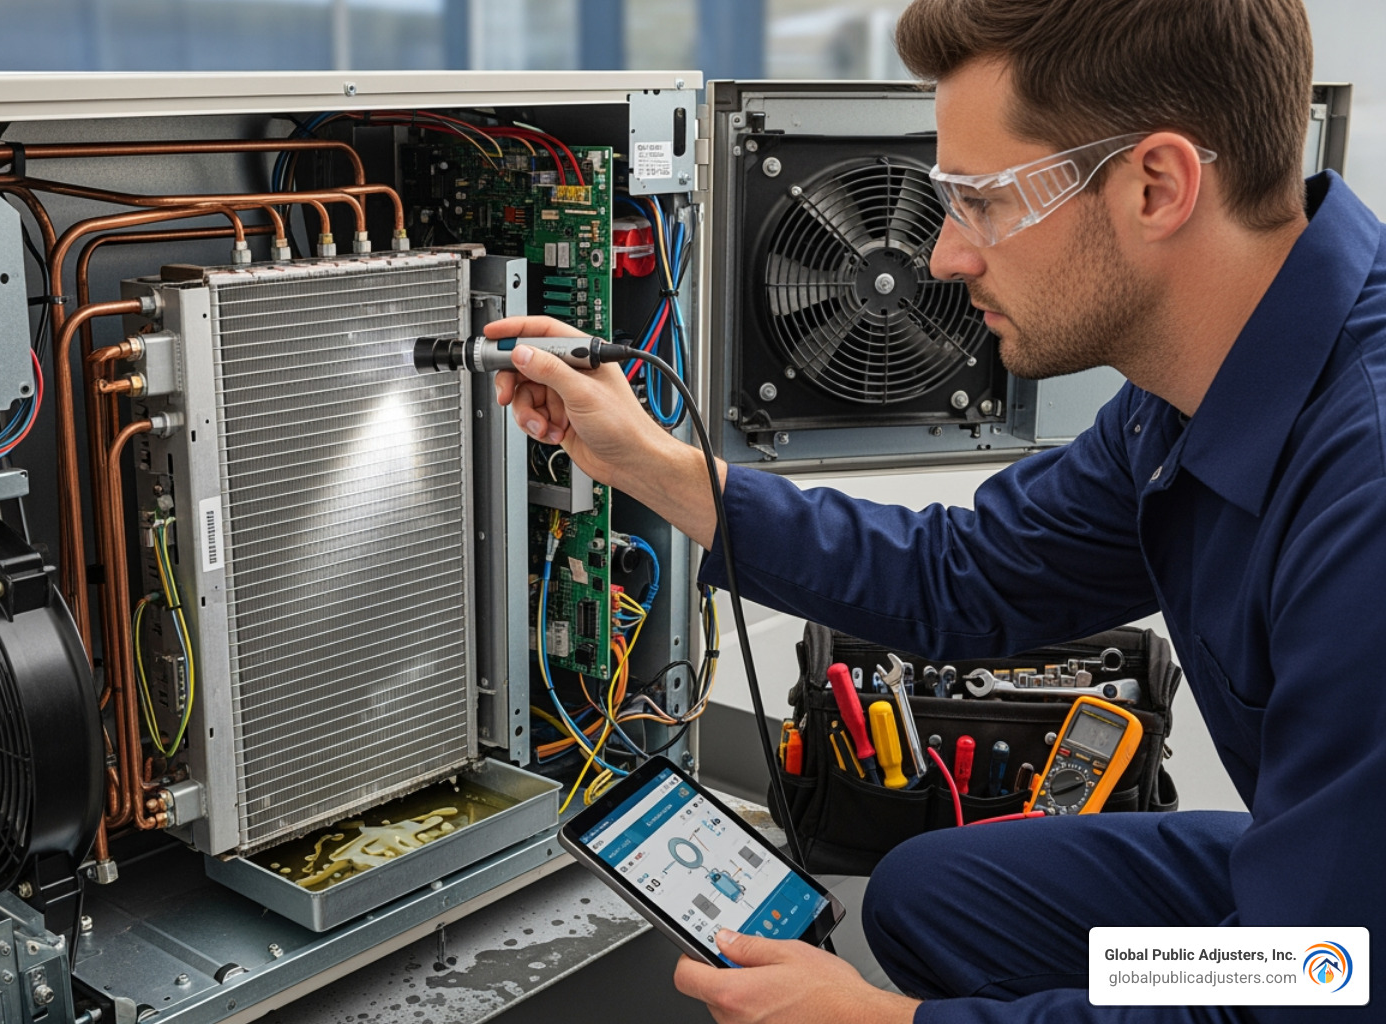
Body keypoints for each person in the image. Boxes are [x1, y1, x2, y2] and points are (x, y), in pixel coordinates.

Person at [492, 0, 1383, 1019]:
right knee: (933, 896)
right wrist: (648, 462)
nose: (947, 256)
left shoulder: (1366, 491)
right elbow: (965, 576)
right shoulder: (1192, 386)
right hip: (1318, 911)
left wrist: (885, 1022)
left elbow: (1324, 985)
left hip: (1332, 958)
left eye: (981, 202)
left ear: (1157, 187)